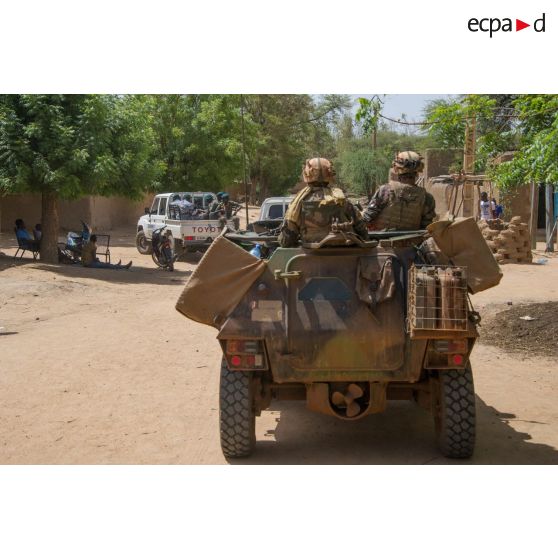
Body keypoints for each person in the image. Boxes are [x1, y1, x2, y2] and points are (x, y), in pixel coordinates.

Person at [278, 157, 368, 247]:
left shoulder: (298, 204)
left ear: (306, 174)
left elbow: (286, 241)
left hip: (310, 257)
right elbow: (362, 232)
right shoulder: (342, 199)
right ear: (330, 174)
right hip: (346, 255)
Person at [362, 151, 436, 230]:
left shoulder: (385, 190)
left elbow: (368, 217)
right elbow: (426, 227)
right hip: (413, 241)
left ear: (396, 169)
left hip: (380, 240)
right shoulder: (427, 197)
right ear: (418, 172)